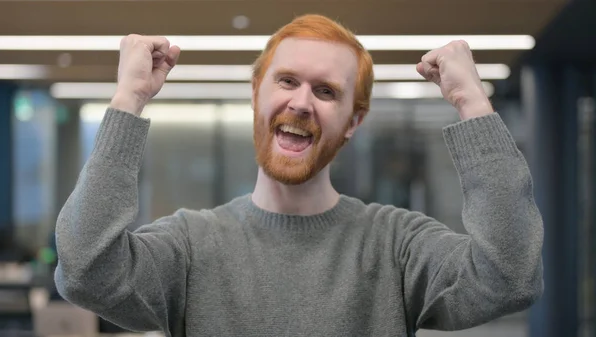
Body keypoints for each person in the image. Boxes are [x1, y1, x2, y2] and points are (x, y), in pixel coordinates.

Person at [54, 14, 544, 337]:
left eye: (327, 91)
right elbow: (85, 272)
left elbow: (509, 277)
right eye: (287, 80)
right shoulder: (189, 245)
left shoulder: (397, 244)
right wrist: (128, 101)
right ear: (256, 94)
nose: (301, 102)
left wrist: (473, 105)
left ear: (353, 122)